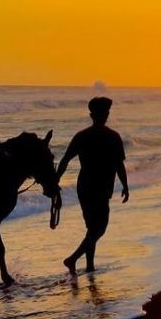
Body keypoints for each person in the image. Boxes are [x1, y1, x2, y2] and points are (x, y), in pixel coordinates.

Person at [57, 97, 129, 274]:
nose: (105, 115)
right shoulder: (112, 137)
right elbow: (119, 165)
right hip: (99, 187)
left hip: (86, 186)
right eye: (103, 112)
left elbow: (65, 160)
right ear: (94, 115)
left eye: (105, 112)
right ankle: (72, 259)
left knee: (92, 228)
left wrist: (55, 180)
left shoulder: (83, 136)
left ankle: (89, 266)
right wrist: (54, 181)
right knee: (99, 228)